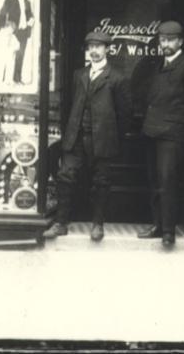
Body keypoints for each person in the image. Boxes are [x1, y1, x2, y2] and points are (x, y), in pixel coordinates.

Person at [44, 31, 131, 241]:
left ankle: (97, 225)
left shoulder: (117, 78)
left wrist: (112, 137)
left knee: (101, 181)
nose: (94, 50)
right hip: (76, 137)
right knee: (65, 175)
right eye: (90, 46)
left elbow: (125, 115)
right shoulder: (79, 75)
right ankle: (61, 223)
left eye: (98, 46)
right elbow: (69, 107)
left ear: (107, 49)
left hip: (103, 139)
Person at [137, 21, 184, 248]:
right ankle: (158, 226)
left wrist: (181, 126)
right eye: (162, 40)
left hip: (174, 135)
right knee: (155, 181)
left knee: (168, 182)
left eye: (170, 40)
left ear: (180, 42)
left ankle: (168, 232)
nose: (165, 44)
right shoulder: (156, 65)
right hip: (152, 131)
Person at [0, 0, 34, 84]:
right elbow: (2, 14)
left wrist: (31, 21)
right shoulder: (9, 0)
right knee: (7, 55)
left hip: (23, 31)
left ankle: (17, 78)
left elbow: (30, 15)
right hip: (12, 32)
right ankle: (4, 79)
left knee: (20, 55)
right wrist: (2, 29)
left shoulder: (27, 2)